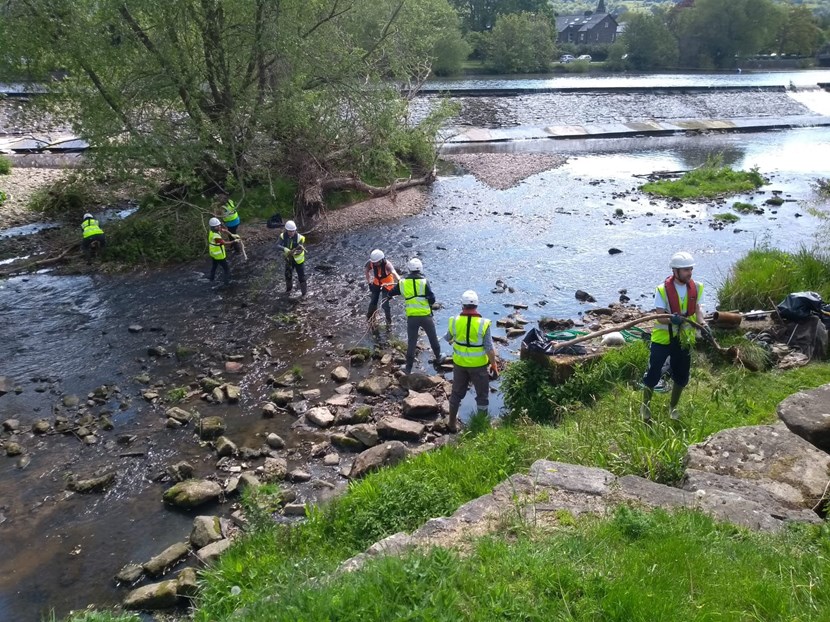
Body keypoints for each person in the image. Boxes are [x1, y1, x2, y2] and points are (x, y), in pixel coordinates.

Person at [641, 251, 710, 422]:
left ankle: (673, 407)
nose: (689, 273)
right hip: (662, 340)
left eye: (690, 269)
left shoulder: (697, 287)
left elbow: (698, 310)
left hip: (684, 340)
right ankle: (645, 407)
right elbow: (659, 316)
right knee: (653, 374)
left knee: (682, 376)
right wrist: (673, 320)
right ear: (675, 271)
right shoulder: (662, 290)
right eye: (686, 270)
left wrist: (704, 324)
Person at [444, 290, 498, 432]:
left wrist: (454, 340)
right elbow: (489, 348)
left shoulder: (454, 320)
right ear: (477, 305)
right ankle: (481, 426)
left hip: (459, 364)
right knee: (482, 396)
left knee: (456, 394)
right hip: (479, 366)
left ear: (462, 305)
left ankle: (451, 423)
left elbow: (448, 337)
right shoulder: (483, 323)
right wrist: (494, 365)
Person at [389, 258, 441, 374]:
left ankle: (408, 368)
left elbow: (392, 292)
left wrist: (388, 295)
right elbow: (432, 299)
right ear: (420, 269)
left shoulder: (402, 282)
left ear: (409, 269)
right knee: (433, 338)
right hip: (426, 316)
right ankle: (438, 358)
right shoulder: (424, 282)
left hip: (412, 318)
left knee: (412, 342)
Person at [364, 249, 400, 329]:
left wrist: (399, 280)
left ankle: (388, 322)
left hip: (387, 284)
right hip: (377, 282)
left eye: (377, 262)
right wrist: (369, 283)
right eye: (374, 263)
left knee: (385, 304)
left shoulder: (387, 264)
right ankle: (370, 317)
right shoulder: (371, 263)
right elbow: (366, 270)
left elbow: (394, 272)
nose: (376, 264)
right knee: (373, 301)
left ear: (382, 260)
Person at [276, 220, 307, 296]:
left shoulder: (300, 238)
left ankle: (304, 294)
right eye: (290, 231)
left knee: (302, 277)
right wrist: (285, 249)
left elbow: (300, 249)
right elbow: (277, 245)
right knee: (288, 276)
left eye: (293, 231)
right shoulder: (282, 236)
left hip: (299, 261)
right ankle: (288, 291)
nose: (292, 233)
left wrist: (294, 252)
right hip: (289, 260)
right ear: (286, 230)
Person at [207, 217, 230, 286]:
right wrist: (234, 241)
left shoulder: (212, 231)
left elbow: (222, 230)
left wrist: (228, 232)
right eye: (218, 226)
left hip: (213, 254)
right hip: (219, 255)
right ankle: (226, 284)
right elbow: (224, 243)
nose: (219, 226)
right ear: (214, 227)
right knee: (227, 270)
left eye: (219, 225)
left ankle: (211, 278)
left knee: (214, 266)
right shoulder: (216, 236)